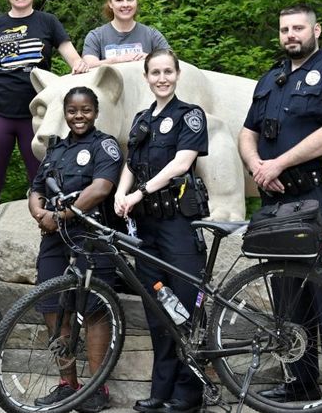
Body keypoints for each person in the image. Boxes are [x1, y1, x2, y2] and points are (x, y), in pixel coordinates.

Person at [238, 4, 322, 412]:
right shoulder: (271, 79)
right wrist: (258, 165)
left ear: (317, 30)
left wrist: (279, 162)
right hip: (278, 202)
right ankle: (301, 383)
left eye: (298, 28)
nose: (290, 34)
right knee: (287, 296)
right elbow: (247, 133)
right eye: (284, 29)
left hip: (321, 202)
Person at [0, 0, 90, 276]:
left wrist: (83, 67)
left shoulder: (47, 22)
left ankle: (53, 252)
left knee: (46, 183)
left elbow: (74, 61)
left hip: (36, 115)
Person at [114, 49, 208, 413]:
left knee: (185, 306)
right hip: (147, 227)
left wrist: (138, 192)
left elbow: (182, 162)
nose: (162, 78)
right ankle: (162, 389)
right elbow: (131, 164)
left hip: (178, 224)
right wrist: (122, 192)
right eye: (155, 72)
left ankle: (189, 392)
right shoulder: (141, 119)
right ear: (147, 76)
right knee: (157, 308)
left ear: (178, 74)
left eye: (168, 71)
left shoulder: (190, 115)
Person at [28, 86, 123, 413]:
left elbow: (101, 188)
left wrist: (61, 216)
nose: (78, 116)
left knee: (95, 310)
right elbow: (36, 188)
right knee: (53, 310)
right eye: (72, 110)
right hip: (54, 240)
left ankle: (97, 389)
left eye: (85, 110)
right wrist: (41, 214)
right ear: (65, 113)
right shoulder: (55, 149)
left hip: (91, 238)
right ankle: (68, 384)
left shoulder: (104, 145)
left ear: (95, 112)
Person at [82, 0, 170, 68]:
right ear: (110, 4)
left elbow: (172, 62)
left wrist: (149, 58)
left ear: (136, 1)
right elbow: (89, 65)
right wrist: (116, 60)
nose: (125, 5)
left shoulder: (152, 35)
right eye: (119, 0)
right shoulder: (96, 36)